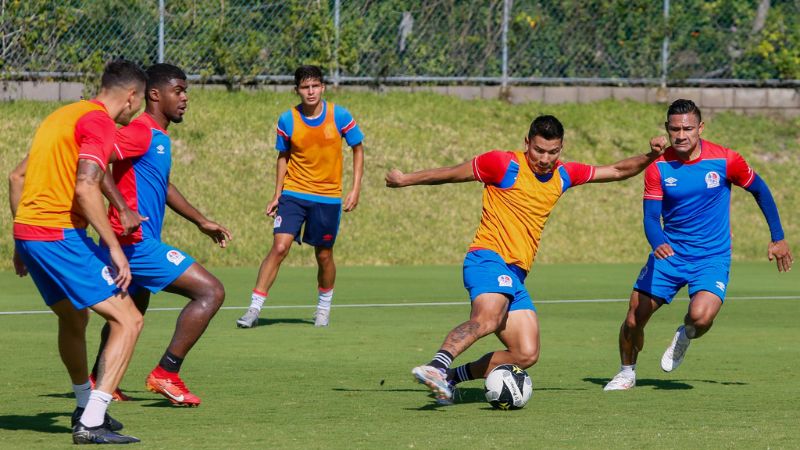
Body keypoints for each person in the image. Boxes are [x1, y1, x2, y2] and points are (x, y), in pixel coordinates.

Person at [385, 115, 666, 405]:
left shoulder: (564, 175)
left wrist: (651, 156)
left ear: (561, 148)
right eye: (538, 150)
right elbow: (451, 173)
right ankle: (437, 366)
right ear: (526, 143)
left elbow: (618, 170)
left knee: (525, 353)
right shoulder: (503, 164)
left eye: (552, 152)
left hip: (515, 274)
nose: (545, 159)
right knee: (487, 319)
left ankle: (451, 378)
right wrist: (406, 179)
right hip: (487, 258)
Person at [603, 99, 793, 391]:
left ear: (700, 128)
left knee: (700, 318)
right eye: (675, 129)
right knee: (633, 319)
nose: (681, 135)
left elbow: (760, 191)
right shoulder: (659, 167)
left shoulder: (726, 160)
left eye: (688, 128)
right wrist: (659, 242)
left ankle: (686, 334)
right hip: (669, 257)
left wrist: (778, 237)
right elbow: (651, 218)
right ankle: (626, 371)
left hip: (711, 258)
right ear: (667, 129)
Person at [8, 59, 146, 444]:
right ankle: (92, 421)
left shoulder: (62, 115)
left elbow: (16, 176)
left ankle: (84, 403)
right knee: (129, 320)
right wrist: (116, 249)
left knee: (73, 318)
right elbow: (87, 186)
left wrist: (20, 241)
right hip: (57, 235)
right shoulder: (99, 122)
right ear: (132, 97)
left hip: (32, 233)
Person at [90, 63, 230, 407]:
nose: (185, 98)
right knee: (211, 292)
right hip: (134, 245)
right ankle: (167, 372)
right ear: (155, 94)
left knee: (132, 309)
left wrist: (200, 221)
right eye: (178, 91)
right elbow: (95, 159)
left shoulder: (158, 136)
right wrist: (121, 207)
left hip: (132, 243)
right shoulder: (141, 131)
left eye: (186, 92)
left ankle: (99, 378)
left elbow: (162, 186)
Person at [236, 65, 364, 329]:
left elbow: (357, 149)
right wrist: (277, 194)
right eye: (305, 87)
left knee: (324, 255)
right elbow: (282, 157)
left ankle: (323, 308)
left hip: (328, 198)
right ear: (297, 90)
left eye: (315, 86)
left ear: (323, 87)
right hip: (294, 193)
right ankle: (253, 309)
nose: (311, 91)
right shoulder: (287, 120)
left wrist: (355, 189)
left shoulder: (339, 115)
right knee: (279, 247)